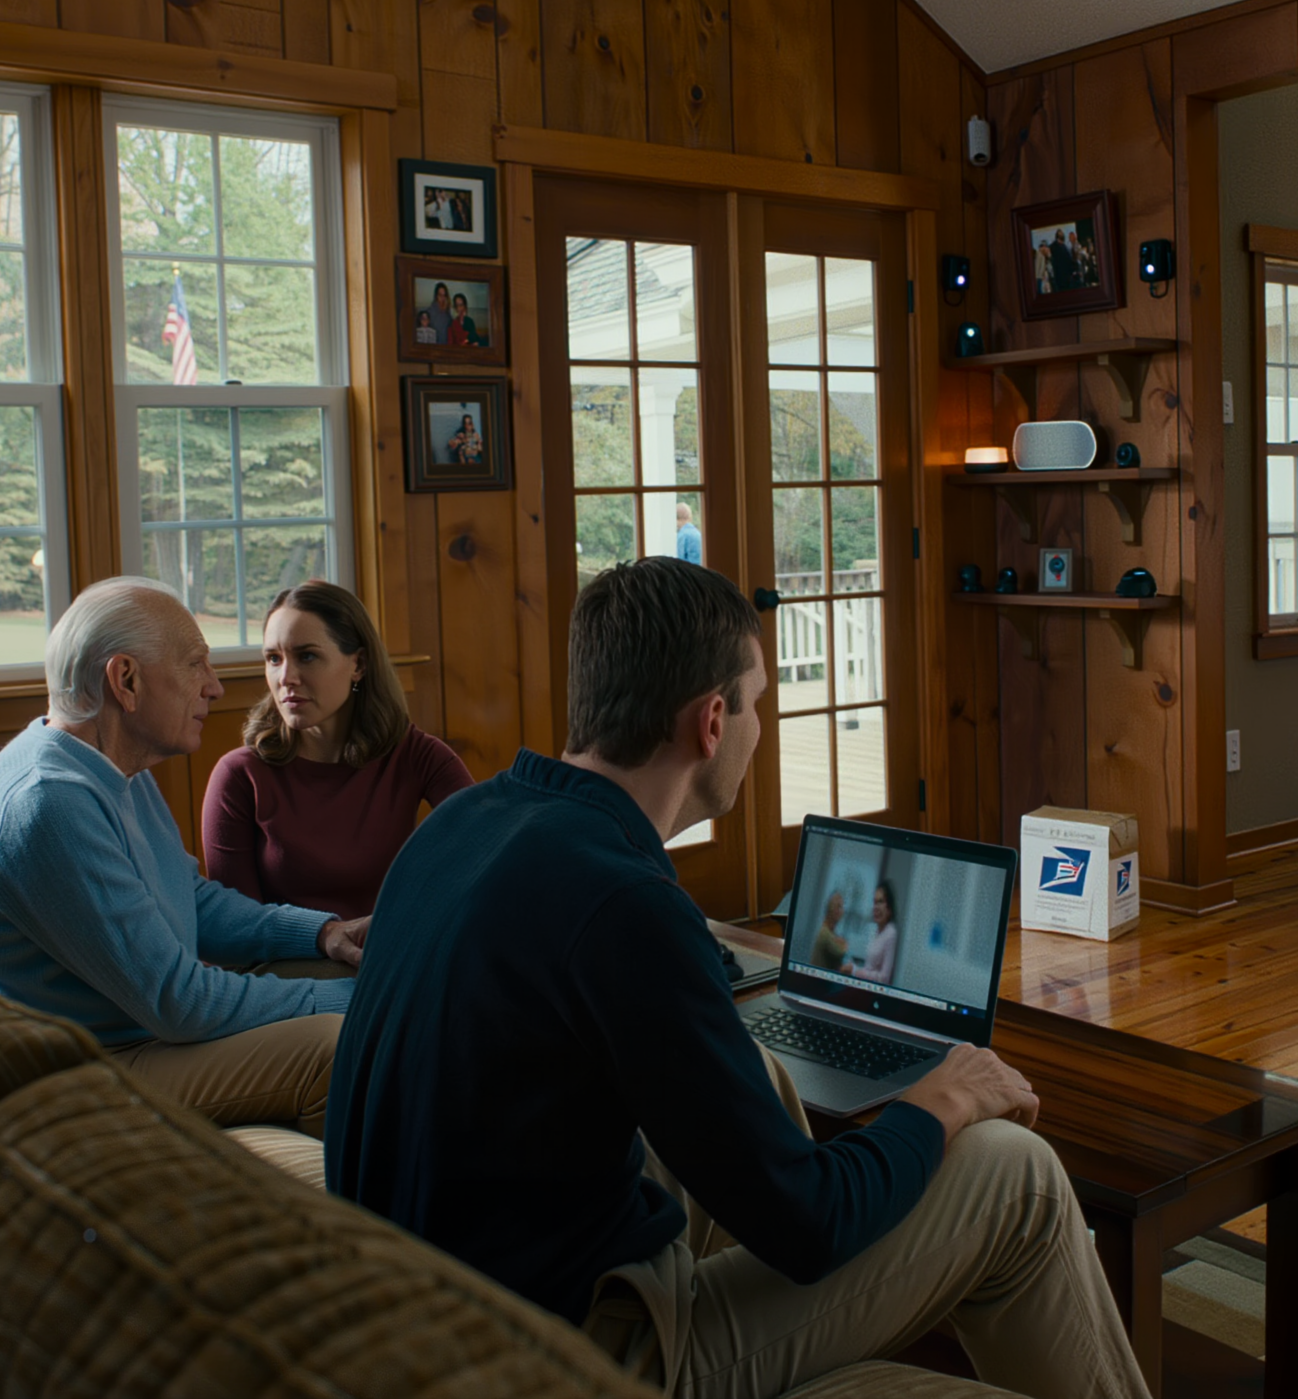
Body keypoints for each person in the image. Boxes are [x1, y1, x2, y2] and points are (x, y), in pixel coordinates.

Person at [326, 556, 1148, 1399]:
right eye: (758, 702)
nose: (760, 727)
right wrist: (940, 1100)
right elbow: (812, 1228)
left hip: (421, 1312)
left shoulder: (464, 820)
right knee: (1015, 1171)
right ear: (712, 722)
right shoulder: (625, 903)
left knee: (757, 1073)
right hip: (554, 1357)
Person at [0, 577, 367, 1137]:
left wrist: (322, 933)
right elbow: (180, 1002)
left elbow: (191, 897)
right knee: (338, 1040)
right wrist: (363, 996)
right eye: (194, 665)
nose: (214, 687)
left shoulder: (111, 766)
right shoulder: (49, 802)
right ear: (126, 680)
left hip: (137, 1030)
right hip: (81, 1070)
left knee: (346, 971)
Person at [203, 581, 473, 922]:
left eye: (307, 656)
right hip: (284, 956)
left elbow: (484, 856)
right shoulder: (240, 775)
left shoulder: (419, 756)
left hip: (393, 949)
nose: (286, 677)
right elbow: (237, 926)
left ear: (358, 664)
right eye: (274, 658)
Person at [841, 881, 899, 985]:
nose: (876, 907)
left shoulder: (891, 933)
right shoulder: (876, 931)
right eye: (874, 902)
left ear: (889, 908)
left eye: (880, 902)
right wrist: (854, 968)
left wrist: (855, 971)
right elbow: (869, 968)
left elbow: (884, 978)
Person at [809, 889, 847, 971]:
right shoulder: (825, 934)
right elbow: (840, 952)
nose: (842, 911)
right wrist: (844, 945)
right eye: (839, 907)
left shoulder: (830, 933)